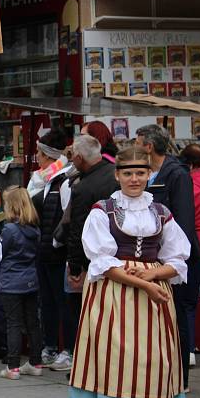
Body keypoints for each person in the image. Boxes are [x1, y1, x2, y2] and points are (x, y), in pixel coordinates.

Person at [69, 145, 189, 398]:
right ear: (117, 175)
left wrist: (152, 275)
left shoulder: (161, 212)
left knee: (145, 366)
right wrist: (146, 281)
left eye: (140, 173)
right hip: (115, 296)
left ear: (149, 174)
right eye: (127, 173)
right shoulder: (102, 211)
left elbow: (178, 258)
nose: (134, 179)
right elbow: (102, 261)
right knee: (129, 365)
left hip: (151, 300)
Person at [136, 124, 200, 391]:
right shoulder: (152, 174)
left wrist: (176, 260)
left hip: (178, 258)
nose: (136, 146)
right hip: (157, 258)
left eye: (138, 142)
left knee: (182, 315)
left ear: (149, 147)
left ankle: (182, 378)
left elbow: (184, 219)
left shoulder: (176, 174)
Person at [62, 135, 118, 373]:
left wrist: (75, 268)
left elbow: (78, 230)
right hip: (122, 255)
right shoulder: (114, 174)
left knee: (90, 315)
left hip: (95, 261)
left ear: (79, 157)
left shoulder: (84, 187)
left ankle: (93, 365)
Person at [29, 130, 72, 367]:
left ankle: (67, 349)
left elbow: (67, 218)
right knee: (48, 302)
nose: (36, 156)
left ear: (48, 155)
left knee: (61, 301)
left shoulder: (64, 181)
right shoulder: (46, 180)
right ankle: (50, 346)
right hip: (44, 251)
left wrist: (57, 242)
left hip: (57, 252)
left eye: (39, 152)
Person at [0, 187, 44, 380]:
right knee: (33, 322)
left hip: (11, 281)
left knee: (13, 323)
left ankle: (13, 366)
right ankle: (35, 361)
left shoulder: (9, 229)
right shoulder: (35, 229)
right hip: (31, 279)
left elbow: (0, 252)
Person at [179, 143, 200, 367]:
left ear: (188, 163)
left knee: (189, 302)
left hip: (196, 249)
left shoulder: (188, 184)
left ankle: (188, 351)